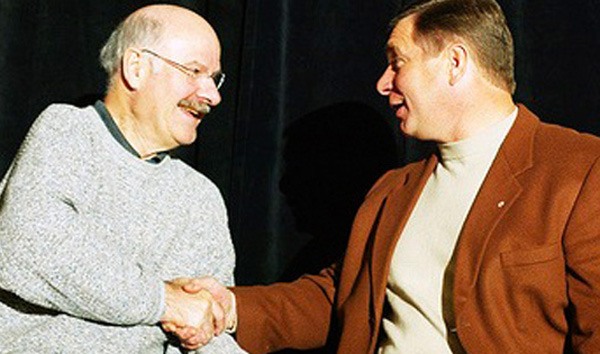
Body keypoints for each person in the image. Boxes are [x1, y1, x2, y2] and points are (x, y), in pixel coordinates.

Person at [175, 0, 600, 352]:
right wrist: (228, 308)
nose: (382, 83)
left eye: (397, 63)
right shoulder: (393, 190)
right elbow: (340, 297)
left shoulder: (580, 169)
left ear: (455, 63)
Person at [0, 4, 245, 353]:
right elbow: (25, 248)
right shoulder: (68, 133)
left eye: (215, 78)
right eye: (194, 71)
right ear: (136, 68)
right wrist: (166, 301)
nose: (213, 96)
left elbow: (206, 330)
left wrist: (198, 322)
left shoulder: (201, 197)